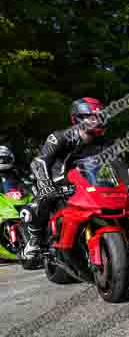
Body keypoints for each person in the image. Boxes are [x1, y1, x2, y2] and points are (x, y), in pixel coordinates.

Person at [22, 97, 108, 258]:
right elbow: (39, 162)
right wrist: (47, 186)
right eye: (92, 117)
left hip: (87, 184)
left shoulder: (103, 142)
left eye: (99, 116)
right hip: (57, 182)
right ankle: (35, 240)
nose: (97, 121)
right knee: (37, 205)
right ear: (78, 119)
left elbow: (113, 165)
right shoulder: (60, 137)